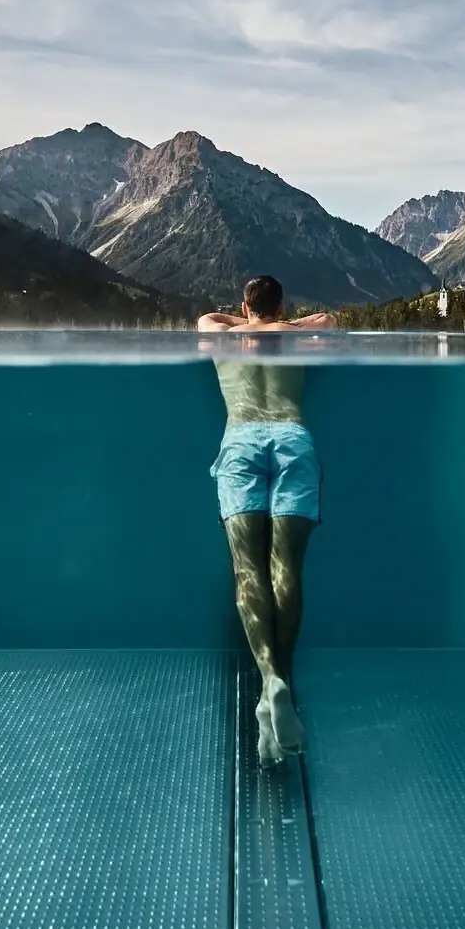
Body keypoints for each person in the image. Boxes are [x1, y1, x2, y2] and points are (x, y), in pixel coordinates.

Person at [197, 276, 337, 766]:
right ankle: (283, 684)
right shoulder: (297, 331)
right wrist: (281, 323)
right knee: (286, 569)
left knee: (247, 570)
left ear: (243, 305)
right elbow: (329, 321)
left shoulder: (218, 329)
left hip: (240, 441)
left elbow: (207, 320)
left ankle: (268, 682)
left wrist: (253, 322)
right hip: (291, 436)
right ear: (283, 303)